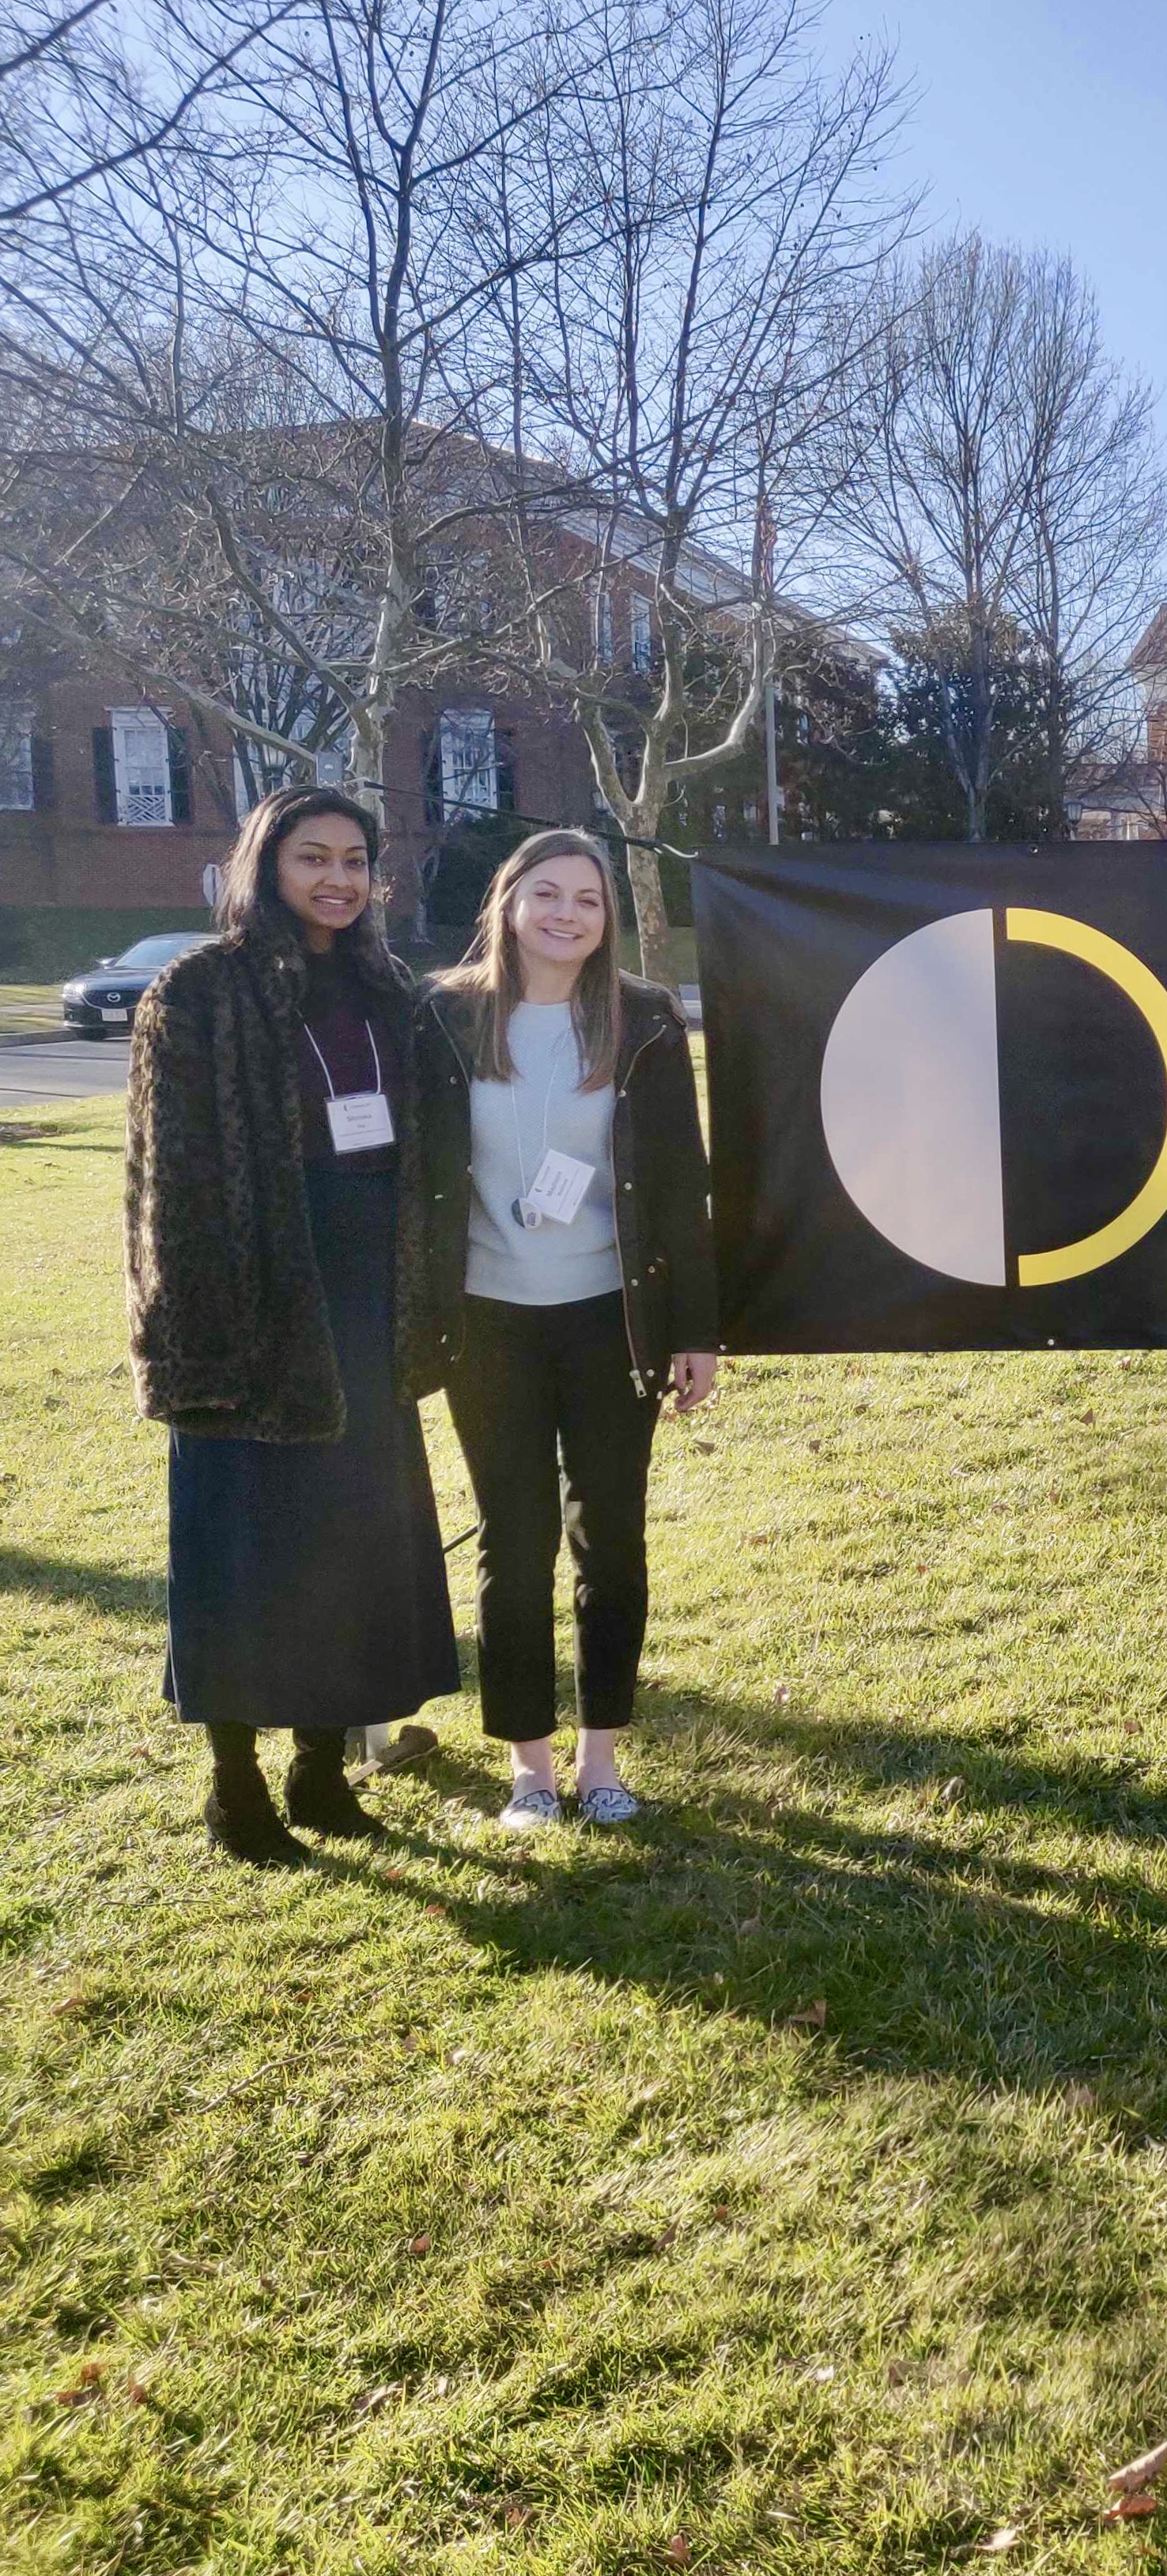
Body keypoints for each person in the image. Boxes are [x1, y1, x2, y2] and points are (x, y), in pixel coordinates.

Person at [126, 787, 466, 1866]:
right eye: (312, 857)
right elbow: (161, 1179)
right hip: (250, 1302)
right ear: (263, 864)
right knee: (241, 1551)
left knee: (353, 1544)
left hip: (369, 1296)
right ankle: (236, 1789)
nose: (337, 878)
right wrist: (199, 1330)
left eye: (355, 860)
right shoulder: (199, 990)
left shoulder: (389, 988)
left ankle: (321, 1771)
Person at [430, 830, 717, 1828]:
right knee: (514, 1544)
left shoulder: (640, 1017)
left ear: (607, 915)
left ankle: (600, 1760)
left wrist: (699, 1330)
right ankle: (529, 1769)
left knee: (613, 1540)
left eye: (587, 899)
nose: (566, 914)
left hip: (612, 1319)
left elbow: (682, 1182)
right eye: (545, 893)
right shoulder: (447, 1014)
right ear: (507, 902)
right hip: (488, 1324)